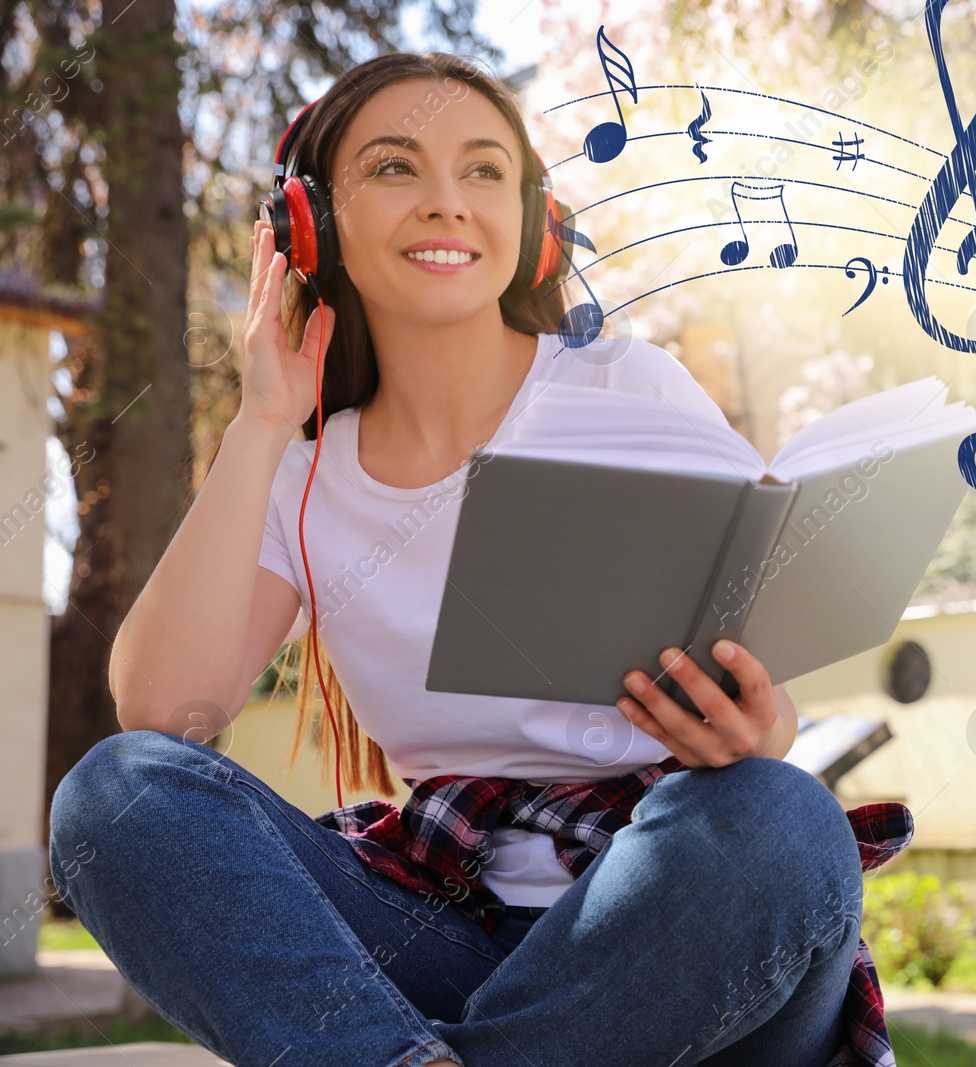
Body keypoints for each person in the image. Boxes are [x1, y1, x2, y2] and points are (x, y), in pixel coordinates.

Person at [48, 51, 895, 1067]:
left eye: (485, 170)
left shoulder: (630, 384)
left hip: (678, 933)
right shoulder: (301, 473)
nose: (446, 202)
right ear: (310, 224)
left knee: (782, 812)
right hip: (440, 933)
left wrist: (761, 724)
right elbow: (165, 713)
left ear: (531, 223)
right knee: (117, 790)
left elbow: (763, 676)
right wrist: (264, 416)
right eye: (396, 168)